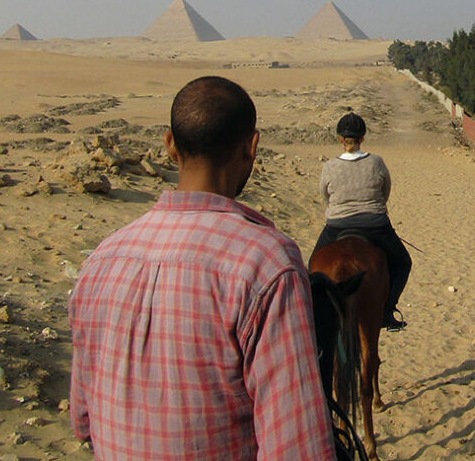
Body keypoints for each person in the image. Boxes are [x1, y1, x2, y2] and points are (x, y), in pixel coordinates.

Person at [69, 76, 335, 461]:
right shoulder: (266, 263)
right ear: (252, 146)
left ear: (170, 145)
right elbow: (297, 446)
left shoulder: (102, 259)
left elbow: (82, 418)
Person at [314, 112, 411, 331]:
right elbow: (385, 190)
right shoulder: (376, 161)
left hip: (337, 225)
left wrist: (339, 210)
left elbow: (325, 196)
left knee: (311, 267)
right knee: (403, 263)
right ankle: (388, 311)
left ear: (340, 139)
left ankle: (314, 312)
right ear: (363, 137)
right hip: (375, 224)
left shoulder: (330, 166)